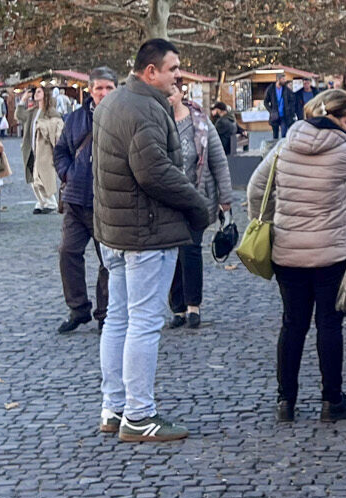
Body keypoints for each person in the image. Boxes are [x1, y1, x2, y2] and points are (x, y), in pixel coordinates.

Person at [92, 38, 211, 442]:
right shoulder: (144, 108)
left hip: (115, 231)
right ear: (151, 72)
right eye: (173, 68)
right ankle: (139, 415)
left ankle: (115, 408)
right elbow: (154, 172)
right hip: (144, 233)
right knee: (141, 322)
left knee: (118, 319)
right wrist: (198, 205)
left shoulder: (112, 103)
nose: (179, 75)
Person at [247, 88, 346, 423]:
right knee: (330, 324)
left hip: (288, 251)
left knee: (292, 324)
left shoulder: (285, 145)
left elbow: (257, 188)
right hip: (332, 252)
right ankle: (332, 401)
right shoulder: (345, 150)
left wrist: (270, 220)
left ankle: (286, 401)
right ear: (333, 118)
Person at [53, 69, 117, 333]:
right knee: (68, 252)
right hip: (76, 199)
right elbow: (60, 152)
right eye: (99, 88)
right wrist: (68, 172)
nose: (103, 93)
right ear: (90, 90)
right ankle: (78, 308)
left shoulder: (120, 117)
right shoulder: (76, 119)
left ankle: (105, 313)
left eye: (108, 88)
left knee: (108, 261)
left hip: (107, 201)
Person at [167, 82, 232, 329]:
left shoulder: (201, 123)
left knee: (191, 249)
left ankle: (193, 305)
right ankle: (177, 308)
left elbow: (218, 161)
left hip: (196, 198)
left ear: (181, 93)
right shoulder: (157, 122)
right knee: (172, 253)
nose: (168, 97)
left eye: (172, 92)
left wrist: (225, 199)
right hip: (168, 200)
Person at [27, 90, 63, 215]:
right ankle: (42, 202)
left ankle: (51, 203)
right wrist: (22, 101)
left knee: (44, 177)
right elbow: (19, 115)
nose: (35, 94)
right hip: (34, 148)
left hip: (46, 149)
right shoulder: (34, 111)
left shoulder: (51, 112)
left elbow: (58, 128)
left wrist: (43, 126)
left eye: (38, 92)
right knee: (34, 179)